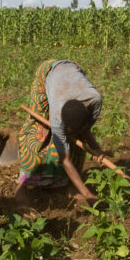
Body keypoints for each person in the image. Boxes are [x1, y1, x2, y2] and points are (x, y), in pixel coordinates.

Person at [16, 59, 105, 204]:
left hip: (72, 71)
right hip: (48, 74)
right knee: (38, 132)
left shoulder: (94, 101)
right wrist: (87, 194)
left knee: (77, 140)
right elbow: (65, 159)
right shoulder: (57, 117)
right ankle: (23, 184)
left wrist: (96, 147)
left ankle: (70, 184)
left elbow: (85, 128)